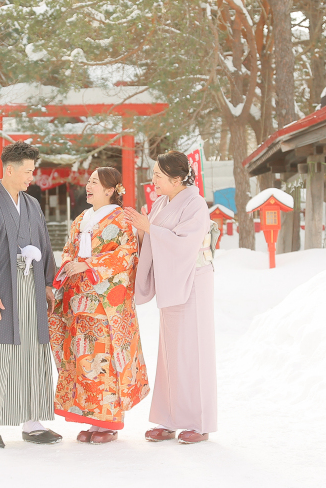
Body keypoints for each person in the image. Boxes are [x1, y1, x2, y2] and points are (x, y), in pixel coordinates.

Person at [0, 141, 60, 449]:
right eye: (28, 171)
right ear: (9, 169)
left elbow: (43, 246)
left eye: (33, 171)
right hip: (0, 290)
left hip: (30, 290)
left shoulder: (31, 205)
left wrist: (46, 283)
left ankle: (32, 422)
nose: (32, 177)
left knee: (32, 352)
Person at [50, 167, 149, 445]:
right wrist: (69, 264)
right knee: (84, 360)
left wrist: (89, 265)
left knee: (105, 359)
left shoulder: (122, 218)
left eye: (95, 183)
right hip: (80, 299)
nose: (88, 186)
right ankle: (91, 418)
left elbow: (127, 255)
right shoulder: (82, 218)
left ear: (110, 190)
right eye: (89, 182)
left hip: (106, 302)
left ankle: (109, 421)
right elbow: (69, 249)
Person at [125, 150, 217, 445]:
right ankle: (168, 419)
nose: (153, 181)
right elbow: (155, 238)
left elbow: (185, 244)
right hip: (172, 282)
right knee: (169, 353)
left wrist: (149, 227)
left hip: (192, 281)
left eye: (159, 176)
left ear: (178, 179)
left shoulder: (196, 204)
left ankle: (198, 422)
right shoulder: (163, 202)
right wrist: (143, 231)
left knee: (194, 351)